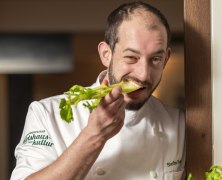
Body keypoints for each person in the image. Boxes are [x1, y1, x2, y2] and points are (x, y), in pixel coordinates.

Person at [11, 1, 186, 180]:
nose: (143, 75)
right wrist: (94, 135)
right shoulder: (46, 114)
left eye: (156, 59)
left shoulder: (179, 125)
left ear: (166, 60)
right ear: (106, 54)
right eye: (131, 58)